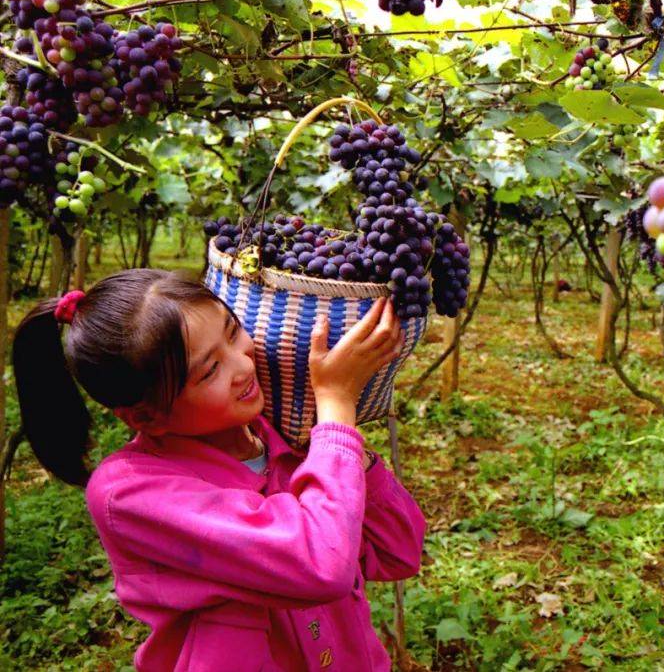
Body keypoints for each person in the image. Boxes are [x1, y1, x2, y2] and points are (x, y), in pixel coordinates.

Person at [12, 269, 426, 671]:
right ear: (147, 416)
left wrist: (346, 452)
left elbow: (398, 553)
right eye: (210, 370)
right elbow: (321, 565)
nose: (242, 366)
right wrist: (336, 407)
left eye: (232, 331)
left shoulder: (285, 442)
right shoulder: (129, 494)